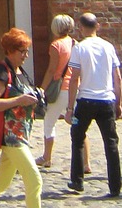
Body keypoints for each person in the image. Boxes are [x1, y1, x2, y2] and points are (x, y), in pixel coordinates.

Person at [0, 27, 42, 208]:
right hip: (10, 136)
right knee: (34, 179)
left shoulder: (20, 71)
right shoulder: (2, 71)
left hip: (21, 133)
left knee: (1, 182)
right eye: (22, 51)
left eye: (27, 51)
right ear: (11, 50)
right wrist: (20, 100)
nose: (26, 55)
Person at [64, 11, 122, 197]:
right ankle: (115, 185)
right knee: (111, 143)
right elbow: (117, 78)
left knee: (78, 137)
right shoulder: (108, 47)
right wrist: (118, 102)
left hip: (86, 100)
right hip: (106, 100)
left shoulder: (80, 48)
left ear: (81, 28)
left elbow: (74, 79)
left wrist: (69, 107)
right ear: (97, 26)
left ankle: (77, 180)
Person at [37, 14, 90, 174]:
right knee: (78, 125)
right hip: (74, 89)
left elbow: (53, 70)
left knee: (49, 122)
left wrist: (42, 88)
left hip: (59, 90)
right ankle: (86, 162)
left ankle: (47, 157)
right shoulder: (76, 43)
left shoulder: (56, 45)